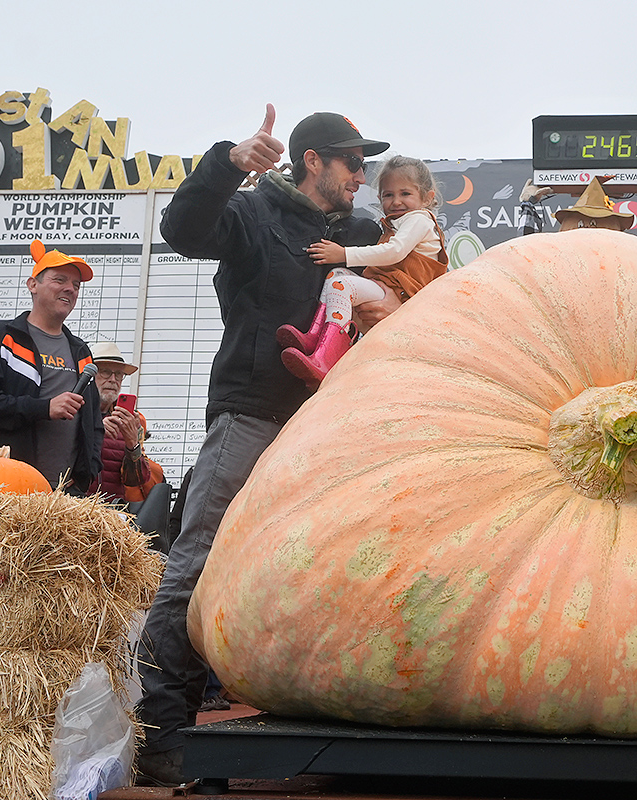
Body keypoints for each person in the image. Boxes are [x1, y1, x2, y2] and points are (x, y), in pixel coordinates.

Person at [136, 104, 390, 787]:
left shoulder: (362, 233)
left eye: (367, 165)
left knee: (324, 573)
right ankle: (162, 732)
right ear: (313, 161)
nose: (363, 176)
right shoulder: (254, 214)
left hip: (331, 428)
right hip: (251, 416)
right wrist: (226, 163)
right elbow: (183, 230)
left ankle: (325, 730)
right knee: (195, 566)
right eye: (353, 163)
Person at [279, 155, 448, 388]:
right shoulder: (397, 224)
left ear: (427, 198)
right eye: (388, 195)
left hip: (401, 292)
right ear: (379, 198)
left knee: (341, 284)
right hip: (387, 288)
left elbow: (395, 252)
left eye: (405, 193)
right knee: (337, 276)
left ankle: (328, 356)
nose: (396, 201)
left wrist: (344, 254)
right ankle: (317, 336)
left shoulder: (420, 220)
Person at [0, 239, 103, 494]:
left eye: (76, 285)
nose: (70, 289)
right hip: (2, 487)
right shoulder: (3, 337)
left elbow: (93, 424)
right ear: (32, 284)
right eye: (60, 280)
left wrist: (86, 473)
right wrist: (43, 408)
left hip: (63, 495)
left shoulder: (80, 351)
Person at [85, 341, 164, 504]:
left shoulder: (128, 420)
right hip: (74, 508)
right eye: (106, 372)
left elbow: (135, 481)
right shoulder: (75, 410)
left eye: (119, 374)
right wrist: (96, 429)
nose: (113, 380)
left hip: (112, 514)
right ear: (90, 375)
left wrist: (132, 444)